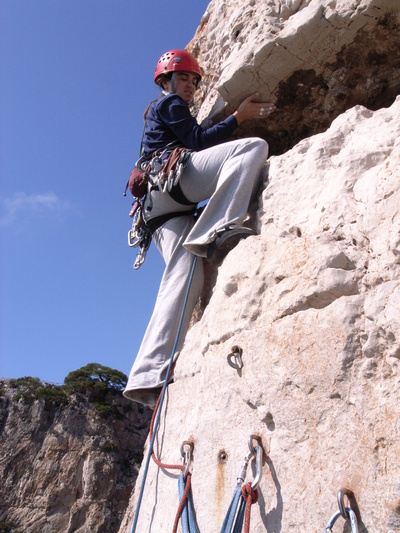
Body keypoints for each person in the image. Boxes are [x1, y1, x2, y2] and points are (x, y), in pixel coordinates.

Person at [123, 49, 275, 407]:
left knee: (185, 272)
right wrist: (240, 116)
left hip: (158, 212)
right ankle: (216, 231)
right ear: (167, 81)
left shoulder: (159, 114)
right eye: (185, 78)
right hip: (173, 184)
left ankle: (148, 374)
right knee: (252, 147)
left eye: (194, 80)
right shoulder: (169, 104)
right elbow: (198, 142)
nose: (190, 85)